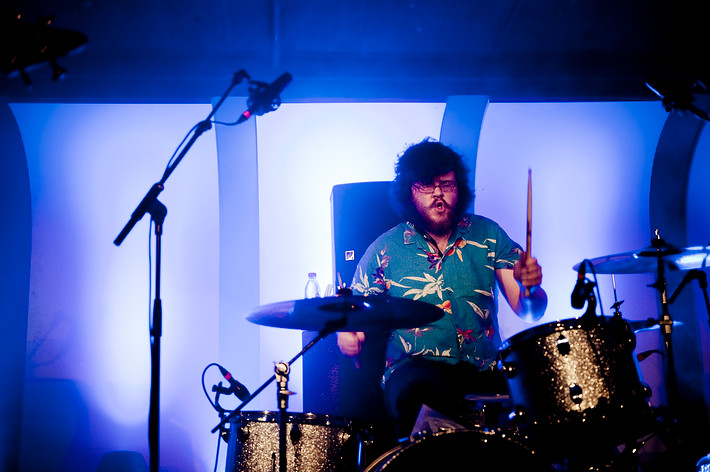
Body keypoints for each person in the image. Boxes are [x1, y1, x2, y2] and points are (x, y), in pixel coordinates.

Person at [337, 138, 548, 439]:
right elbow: (353, 315)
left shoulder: (488, 234)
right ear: (408, 192)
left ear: (458, 187)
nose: (438, 193)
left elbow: (530, 312)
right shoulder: (383, 249)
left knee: (538, 398)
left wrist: (531, 289)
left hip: (484, 367)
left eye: (446, 184)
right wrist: (348, 334)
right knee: (418, 394)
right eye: (425, 185)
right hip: (415, 369)